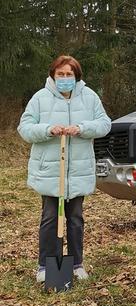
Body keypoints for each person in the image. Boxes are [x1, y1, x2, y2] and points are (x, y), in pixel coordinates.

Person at [18, 55, 111, 283]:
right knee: (50, 217)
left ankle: (77, 263)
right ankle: (45, 265)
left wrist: (81, 128)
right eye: (61, 74)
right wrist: (48, 129)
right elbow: (25, 127)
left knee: (76, 218)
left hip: (78, 170)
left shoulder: (89, 97)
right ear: (53, 75)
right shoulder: (40, 98)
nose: (65, 78)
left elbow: (104, 124)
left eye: (69, 74)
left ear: (76, 76)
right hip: (50, 169)